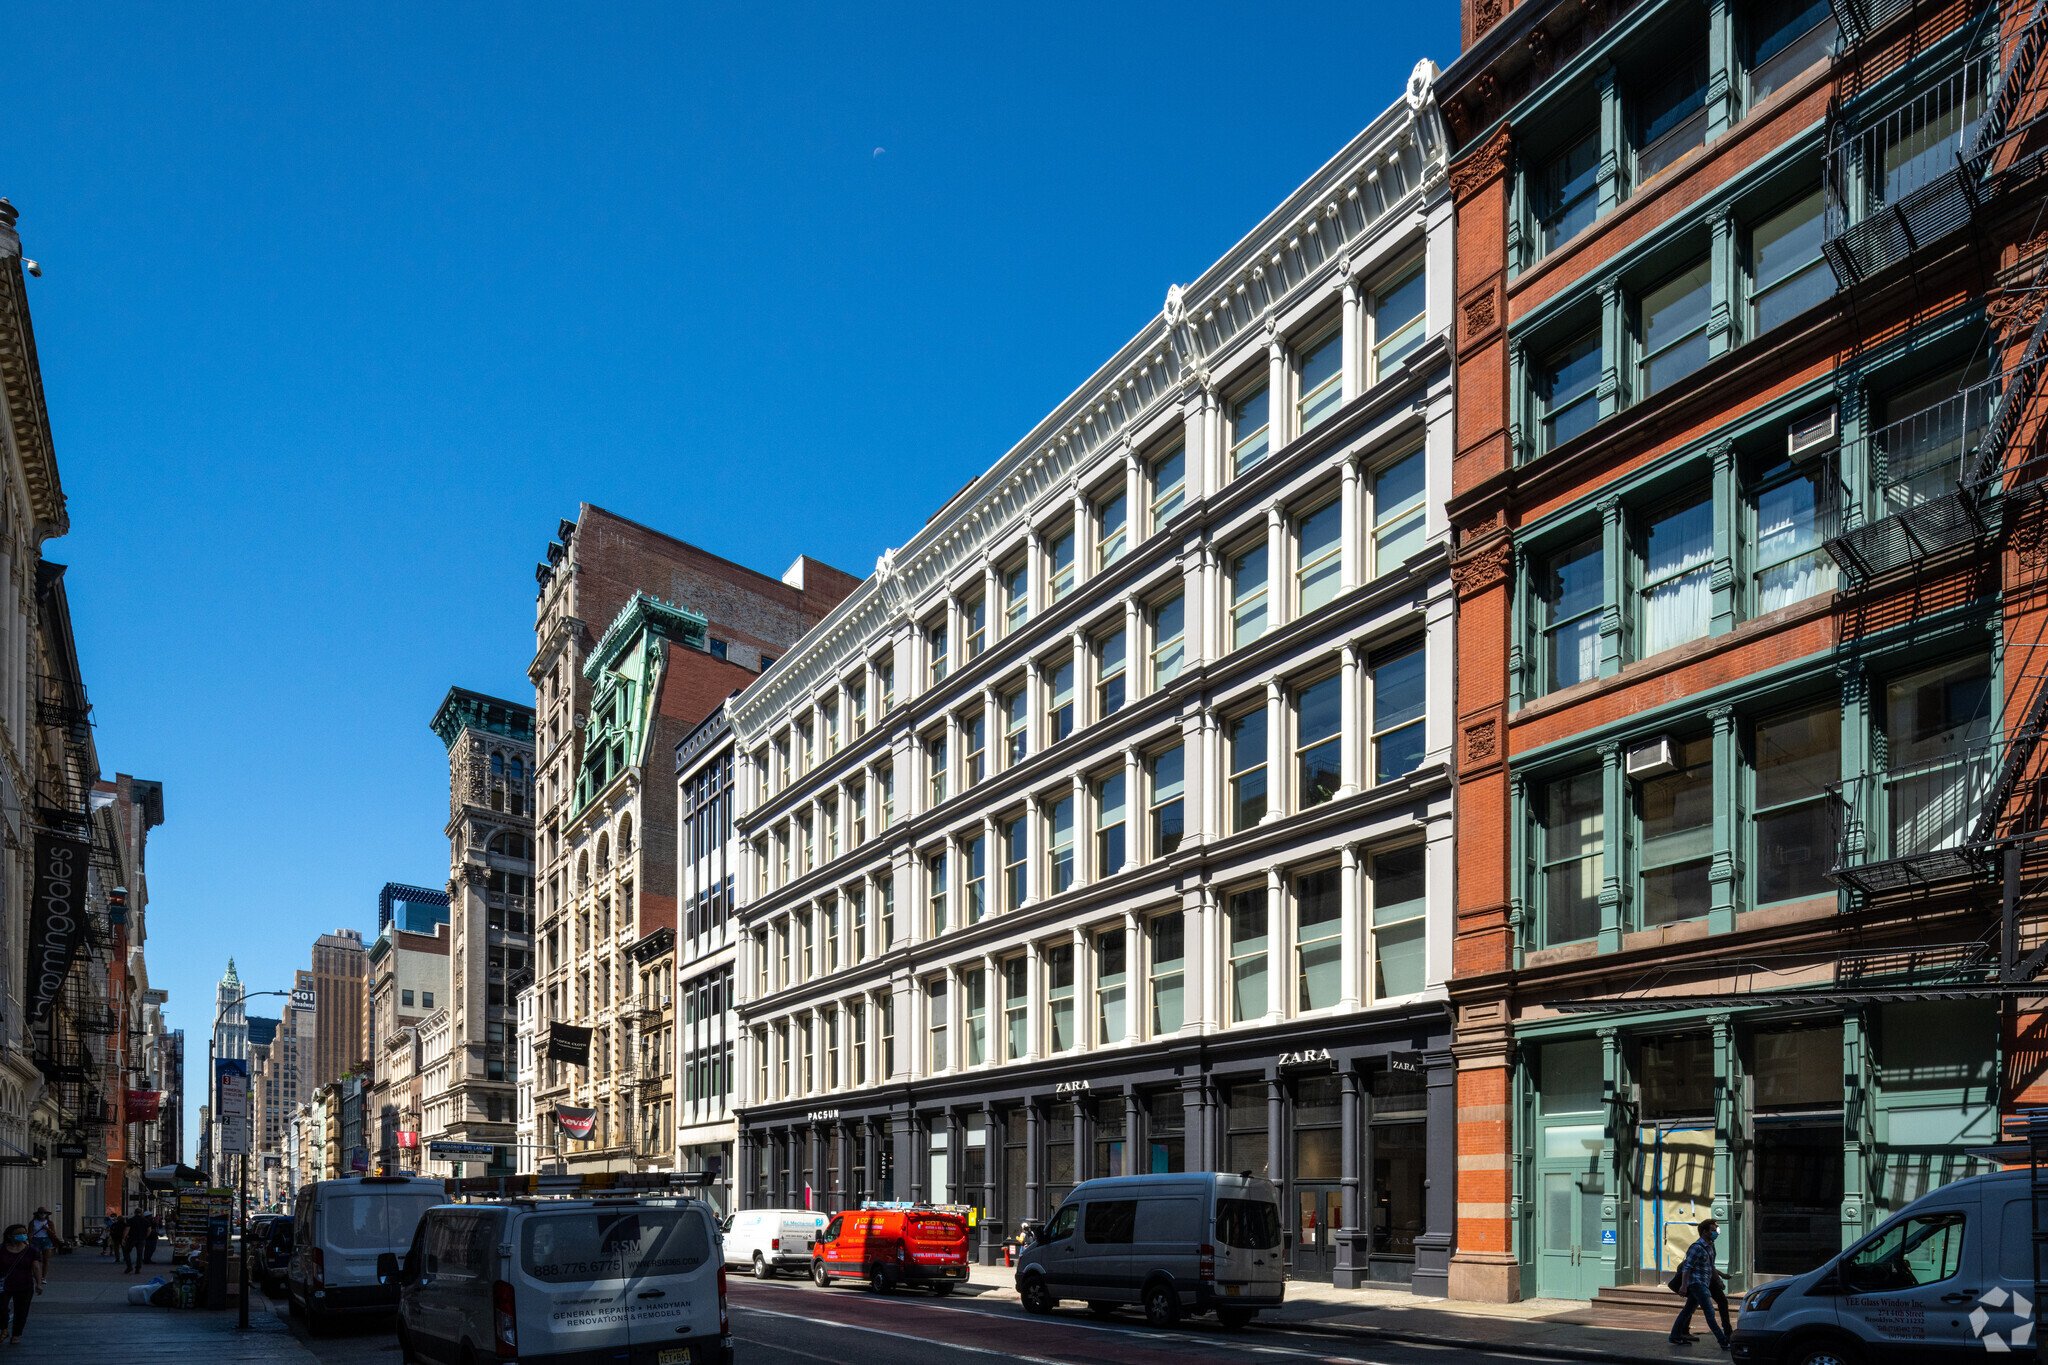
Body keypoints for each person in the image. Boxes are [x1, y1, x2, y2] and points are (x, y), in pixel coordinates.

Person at [1669, 1217, 1730, 1349]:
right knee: (1710, 1313)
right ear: (1704, 1232)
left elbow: (1711, 1266)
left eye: (1716, 1230)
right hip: (1697, 1285)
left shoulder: (1710, 1247)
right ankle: (1723, 1341)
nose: (1716, 1233)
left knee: (1687, 1311)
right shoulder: (1696, 1247)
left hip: (1704, 1283)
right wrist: (1684, 1286)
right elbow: (1687, 1268)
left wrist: (1719, 1280)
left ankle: (1675, 1336)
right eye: (1713, 1230)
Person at [0, 1224, 44, 1345]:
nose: (22, 1235)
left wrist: (39, 1284)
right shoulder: (2, 1249)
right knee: (1, 1307)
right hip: (4, 1285)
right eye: (19, 1234)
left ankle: (16, 1334)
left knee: (21, 1311)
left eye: (24, 1233)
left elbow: (36, 1267)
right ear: (10, 1236)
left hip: (24, 1284)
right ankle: (4, 1328)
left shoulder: (32, 1250)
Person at [26, 1210, 56, 1275]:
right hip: (36, 1240)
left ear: (47, 1214)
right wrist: (29, 1241)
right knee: (35, 1259)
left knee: (46, 1259)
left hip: (46, 1240)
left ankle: (43, 1277)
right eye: (41, 1213)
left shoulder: (49, 1222)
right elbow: (30, 1233)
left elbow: (53, 1233)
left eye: (44, 1213)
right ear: (37, 1214)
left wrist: (47, 1229)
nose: (43, 1214)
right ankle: (36, 1274)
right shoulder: (33, 1222)